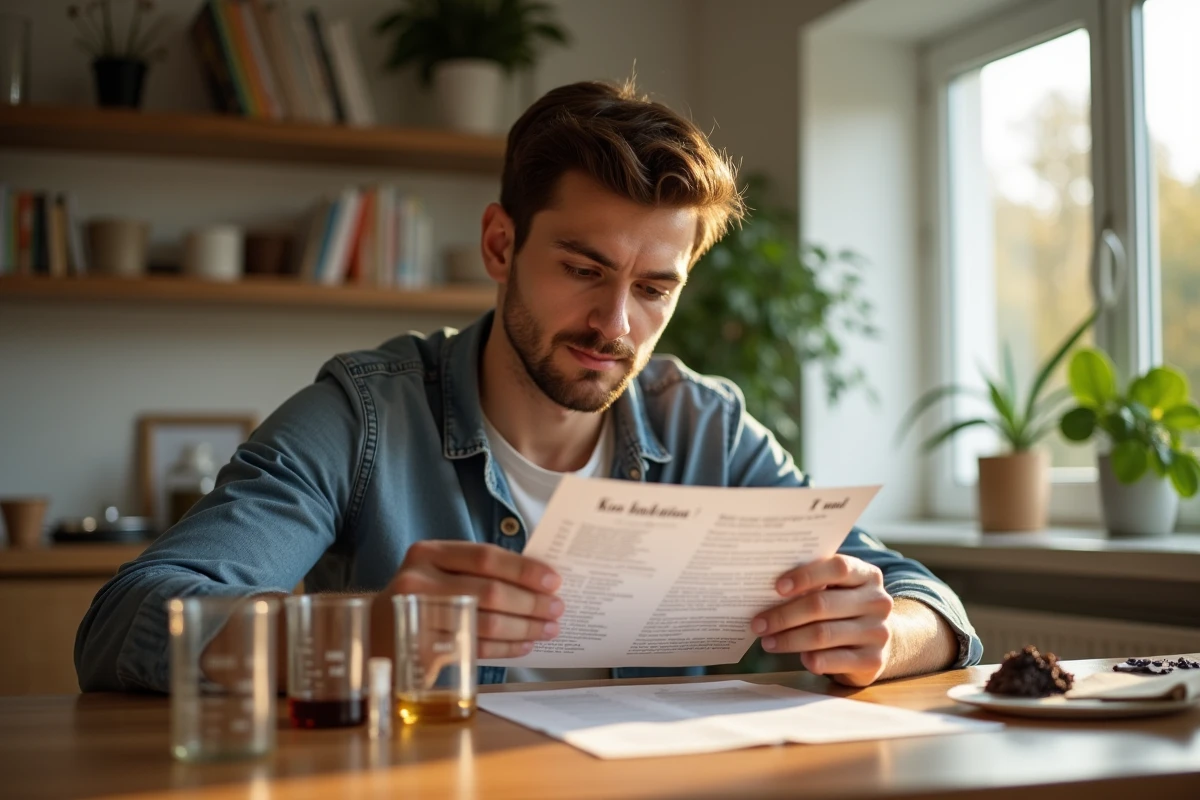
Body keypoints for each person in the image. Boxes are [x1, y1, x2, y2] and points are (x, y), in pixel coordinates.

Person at [75, 79, 982, 693]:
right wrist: (367, 635)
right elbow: (126, 622)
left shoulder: (708, 426)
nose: (615, 325)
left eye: (654, 288)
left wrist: (883, 635)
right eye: (584, 269)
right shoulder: (362, 415)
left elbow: (926, 602)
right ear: (501, 245)